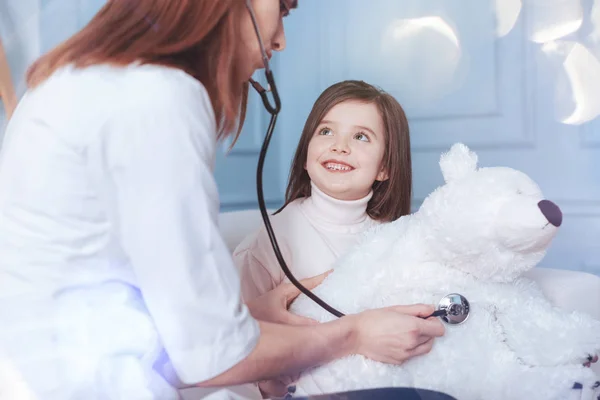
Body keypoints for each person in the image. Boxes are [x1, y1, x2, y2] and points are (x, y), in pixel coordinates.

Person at [0, 1, 445, 399]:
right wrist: (352, 334)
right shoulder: (158, 100)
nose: (281, 41)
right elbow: (213, 357)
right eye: (283, 9)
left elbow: (123, 320)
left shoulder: (77, 80)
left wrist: (250, 315)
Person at [234, 80, 412, 305]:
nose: (340, 146)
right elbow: (238, 331)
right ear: (306, 155)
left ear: (385, 167)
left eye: (361, 136)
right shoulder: (269, 243)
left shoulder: (394, 239)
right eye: (326, 131)